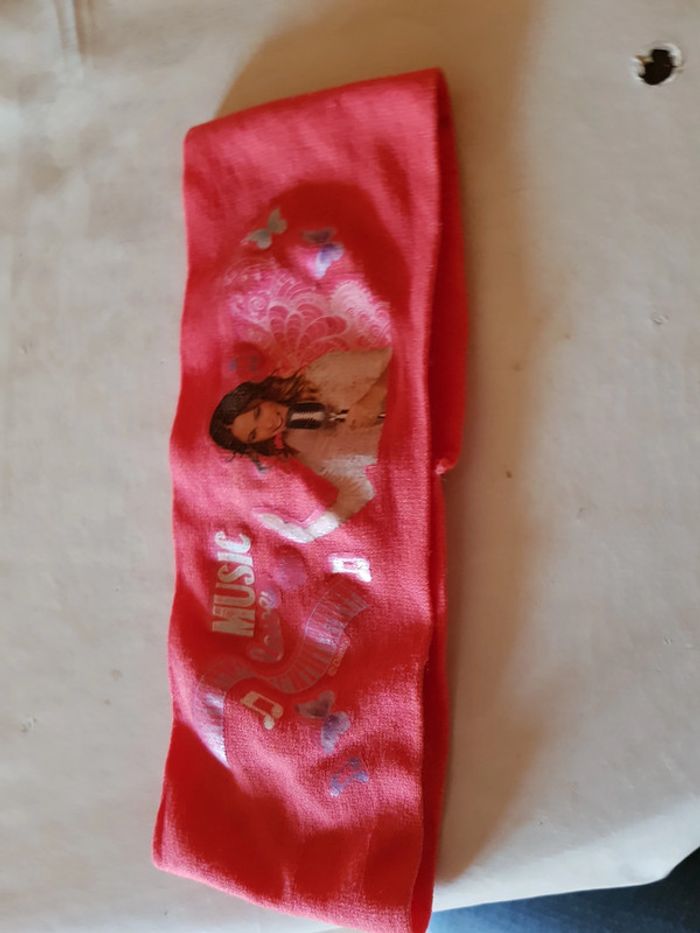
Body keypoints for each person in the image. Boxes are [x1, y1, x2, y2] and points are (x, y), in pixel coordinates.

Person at [210, 347, 392, 542]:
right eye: (254, 434)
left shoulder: (323, 373)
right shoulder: (301, 448)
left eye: (258, 413)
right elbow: (357, 490)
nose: (268, 425)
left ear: (260, 397)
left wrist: (374, 397)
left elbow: (401, 357)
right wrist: (308, 533)